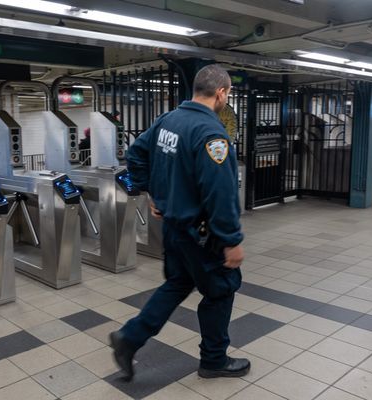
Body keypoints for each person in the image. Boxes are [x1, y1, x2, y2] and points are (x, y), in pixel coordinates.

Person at [110, 64, 249, 381]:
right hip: (202, 235)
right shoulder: (212, 136)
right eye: (227, 94)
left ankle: (129, 338)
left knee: (177, 283)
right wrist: (231, 240)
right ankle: (214, 360)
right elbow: (220, 194)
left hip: (173, 229)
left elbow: (135, 155)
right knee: (220, 290)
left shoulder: (167, 121)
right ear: (221, 93)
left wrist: (154, 194)